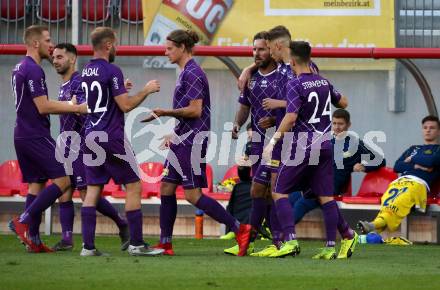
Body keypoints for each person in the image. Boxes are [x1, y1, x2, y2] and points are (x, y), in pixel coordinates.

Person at [141, 29, 251, 256]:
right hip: (183, 138)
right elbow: (189, 111)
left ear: (182, 48)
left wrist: (164, 112)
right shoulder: (185, 72)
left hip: (192, 141)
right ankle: (166, 243)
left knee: (192, 195)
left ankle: (240, 228)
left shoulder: (193, 73)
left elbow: (195, 110)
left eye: (170, 48)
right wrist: (174, 133)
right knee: (166, 187)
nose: (165, 52)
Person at [262, 41, 355, 260]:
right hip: (324, 145)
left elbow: (291, 117)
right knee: (325, 196)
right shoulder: (324, 81)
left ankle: (291, 240)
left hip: (303, 146)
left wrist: (273, 141)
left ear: (292, 61)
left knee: (279, 191)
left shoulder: (295, 84)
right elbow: (344, 102)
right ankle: (332, 246)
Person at [80, 27, 163, 256]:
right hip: (111, 136)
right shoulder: (112, 69)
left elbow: (102, 100)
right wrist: (145, 91)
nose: (115, 48)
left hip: (90, 135)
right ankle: (136, 244)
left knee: (93, 189)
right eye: (114, 44)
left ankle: (87, 247)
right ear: (108, 45)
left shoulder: (86, 70)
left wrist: (121, 91)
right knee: (134, 185)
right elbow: (125, 106)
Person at [8, 25, 87, 253]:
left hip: (21, 134)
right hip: (35, 134)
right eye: (48, 40)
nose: (51, 45)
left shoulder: (19, 67)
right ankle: (23, 221)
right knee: (64, 182)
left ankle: (33, 239)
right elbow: (43, 107)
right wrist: (75, 107)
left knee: (36, 184)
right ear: (35, 43)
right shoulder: (33, 69)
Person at [50, 43, 130, 251]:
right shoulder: (64, 85)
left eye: (60, 57)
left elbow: (90, 106)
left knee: (87, 193)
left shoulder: (78, 81)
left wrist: (74, 107)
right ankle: (67, 238)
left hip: (80, 143)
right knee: (65, 192)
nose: (55, 60)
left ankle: (120, 224)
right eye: (54, 57)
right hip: (65, 144)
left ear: (72, 59)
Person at [224, 31, 277, 256]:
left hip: (279, 142)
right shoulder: (251, 77)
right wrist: (237, 123)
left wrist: (275, 119)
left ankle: (254, 240)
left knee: (264, 191)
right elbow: (245, 105)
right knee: (264, 194)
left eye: (261, 49)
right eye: (254, 49)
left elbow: (295, 107)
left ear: (272, 49)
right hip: (257, 142)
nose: (257, 53)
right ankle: (272, 240)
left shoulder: (284, 74)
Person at [290, 109, 386, 224]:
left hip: (331, 186)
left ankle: (283, 233)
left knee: (302, 203)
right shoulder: (326, 140)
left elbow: (381, 160)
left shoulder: (356, 144)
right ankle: (278, 230)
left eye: (340, 124)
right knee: (292, 195)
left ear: (348, 125)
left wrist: (364, 167)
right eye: (334, 123)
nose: (337, 127)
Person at [358, 115, 440, 234]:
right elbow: (398, 166)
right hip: (400, 182)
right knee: (387, 200)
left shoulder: (437, 150)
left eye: (432, 128)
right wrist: (417, 165)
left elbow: (431, 161)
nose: (428, 130)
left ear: (438, 131)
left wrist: (412, 158)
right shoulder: (413, 148)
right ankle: (373, 228)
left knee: (400, 201)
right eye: (425, 127)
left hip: (418, 183)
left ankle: (373, 226)